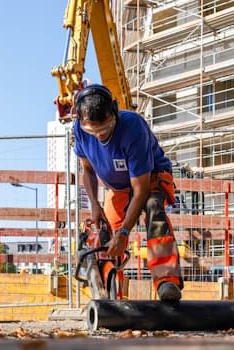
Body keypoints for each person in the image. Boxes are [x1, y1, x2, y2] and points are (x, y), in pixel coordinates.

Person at [73, 84, 184, 302]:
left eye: (104, 128)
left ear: (114, 113)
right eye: (92, 131)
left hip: (151, 178)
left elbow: (141, 190)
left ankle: (167, 282)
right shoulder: (79, 129)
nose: (99, 135)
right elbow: (86, 170)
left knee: (154, 212)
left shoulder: (133, 127)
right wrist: (94, 205)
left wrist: (124, 234)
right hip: (117, 188)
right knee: (105, 234)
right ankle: (109, 295)